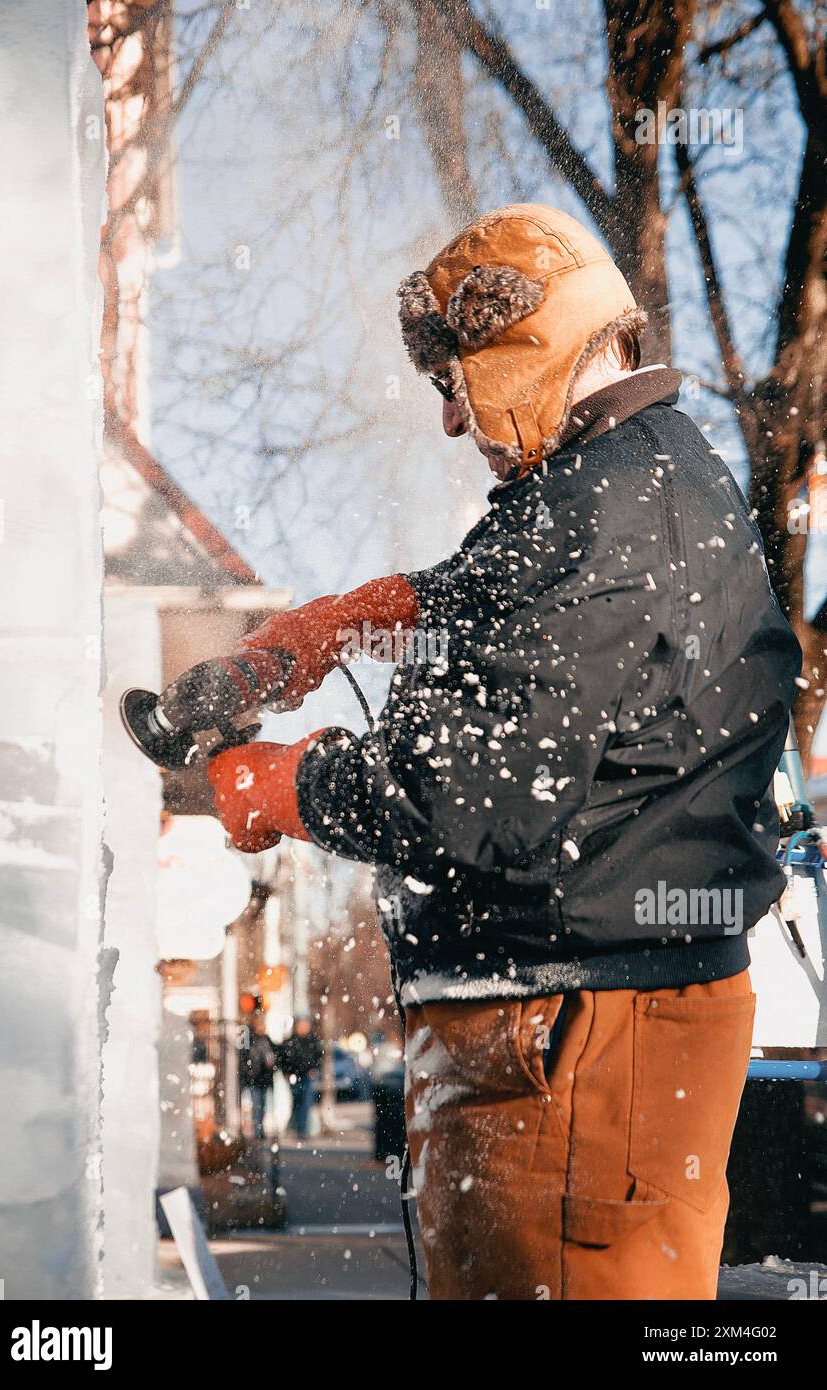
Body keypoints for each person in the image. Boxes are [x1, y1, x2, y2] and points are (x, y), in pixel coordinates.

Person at [206, 204, 801, 1299]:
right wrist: (363, 614)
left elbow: (476, 797)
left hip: (575, 1054)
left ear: (523, 349)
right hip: (565, 1039)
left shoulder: (610, 508)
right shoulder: (619, 480)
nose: (448, 422)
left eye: (454, 384)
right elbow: (529, 634)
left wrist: (288, 786)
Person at [278, 1017, 323, 1138]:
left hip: (307, 1076)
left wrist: (314, 1069)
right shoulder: (291, 1041)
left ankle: (302, 1130)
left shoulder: (312, 1041)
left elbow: (318, 1057)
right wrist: (286, 1072)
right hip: (294, 1075)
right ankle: (298, 1127)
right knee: (297, 1101)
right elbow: (283, 1058)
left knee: (306, 1102)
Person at [239, 1014, 277, 1142]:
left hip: (264, 1078)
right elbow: (244, 1058)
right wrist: (250, 1071)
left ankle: (260, 1130)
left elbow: (275, 1055)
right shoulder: (249, 1040)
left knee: (263, 1106)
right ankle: (257, 1130)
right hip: (255, 1079)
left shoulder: (266, 1040)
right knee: (256, 1106)